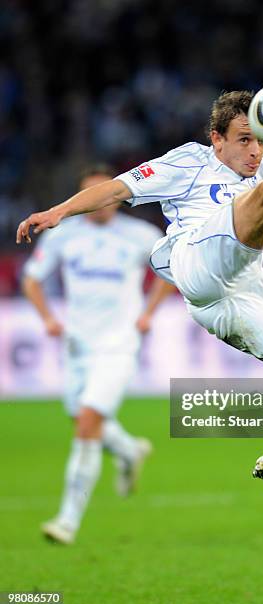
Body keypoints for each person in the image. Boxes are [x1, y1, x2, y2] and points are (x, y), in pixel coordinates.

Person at [17, 65, 263, 519]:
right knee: (258, 201)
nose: (255, 150)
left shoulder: (255, 177)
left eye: (261, 140)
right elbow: (118, 188)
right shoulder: (187, 162)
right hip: (196, 261)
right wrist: (59, 211)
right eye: (244, 139)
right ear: (215, 139)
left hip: (239, 294)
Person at [22, 164, 174, 543]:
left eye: (105, 195)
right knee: (82, 417)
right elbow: (32, 278)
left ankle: (68, 521)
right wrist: (48, 318)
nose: (100, 205)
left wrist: (147, 314)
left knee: (87, 421)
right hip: (77, 343)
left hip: (118, 343)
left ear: (114, 196)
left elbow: (170, 272)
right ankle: (129, 450)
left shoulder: (141, 236)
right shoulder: (62, 237)